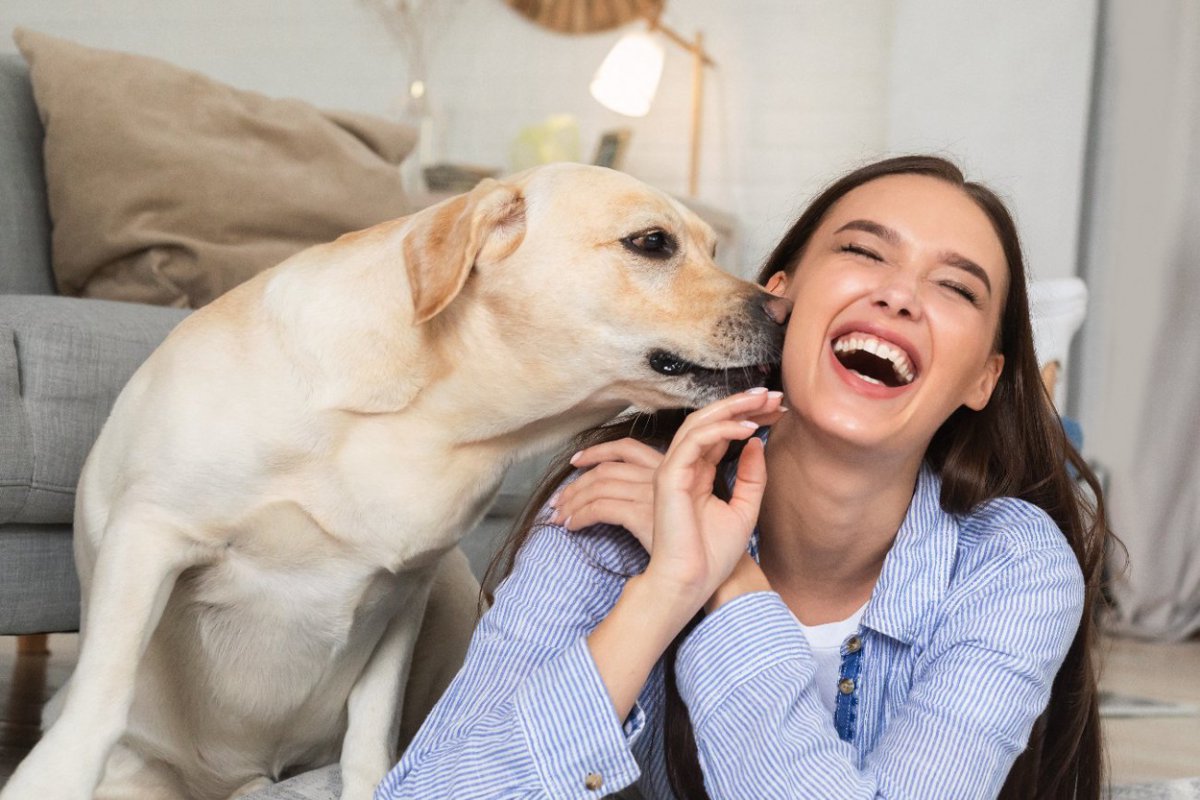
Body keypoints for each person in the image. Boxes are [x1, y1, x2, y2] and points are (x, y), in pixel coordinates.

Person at [375, 155, 1113, 800]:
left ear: (983, 380)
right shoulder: (617, 498)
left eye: (957, 288)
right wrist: (662, 592)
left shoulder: (1013, 566)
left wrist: (727, 583)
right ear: (779, 300)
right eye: (864, 252)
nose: (899, 295)